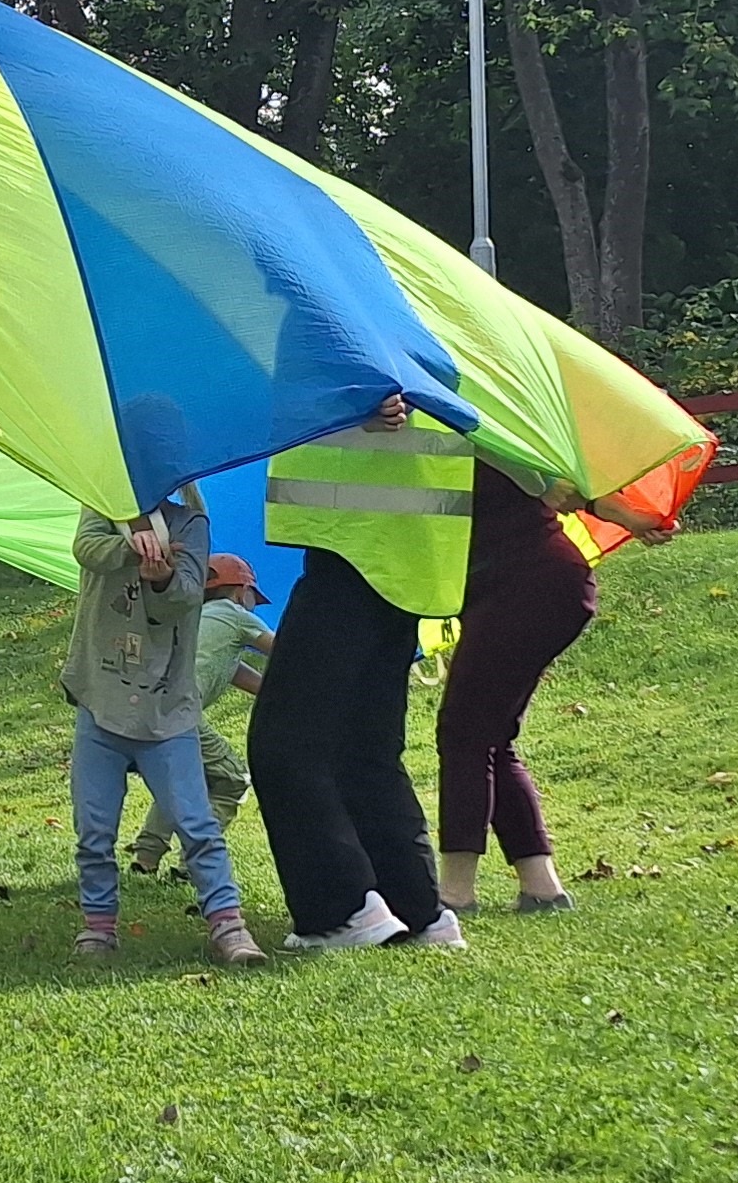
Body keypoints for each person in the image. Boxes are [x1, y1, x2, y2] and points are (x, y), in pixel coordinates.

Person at [250, 394, 473, 954]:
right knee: (363, 752)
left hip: (356, 548)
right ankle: (419, 913)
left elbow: (356, 368)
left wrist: (352, 401)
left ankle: (341, 912)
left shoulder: (336, 312)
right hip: (405, 555)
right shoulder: (421, 319)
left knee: (283, 746)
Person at [437, 460, 673, 914]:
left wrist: (631, 518)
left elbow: (560, 483)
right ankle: (541, 887)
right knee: (488, 735)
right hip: (518, 584)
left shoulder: (475, 426)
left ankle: (455, 892)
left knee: (464, 732)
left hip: (533, 582)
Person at [64, 487, 267, 965]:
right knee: (94, 828)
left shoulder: (190, 523)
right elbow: (87, 549)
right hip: (102, 702)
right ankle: (98, 926)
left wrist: (162, 577)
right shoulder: (101, 506)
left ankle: (229, 925)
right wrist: (131, 546)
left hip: (167, 708)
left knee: (198, 824)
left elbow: (184, 595)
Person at [133, 553, 270, 879]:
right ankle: (193, 863)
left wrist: (276, 693)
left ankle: (146, 858)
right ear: (240, 591)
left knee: (179, 782)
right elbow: (283, 651)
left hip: (144, 705)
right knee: (231, 781)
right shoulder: (236, 615)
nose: (252, 605)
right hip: (178, 710)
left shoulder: (194, 618)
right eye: (253, 598)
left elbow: (233, 669)